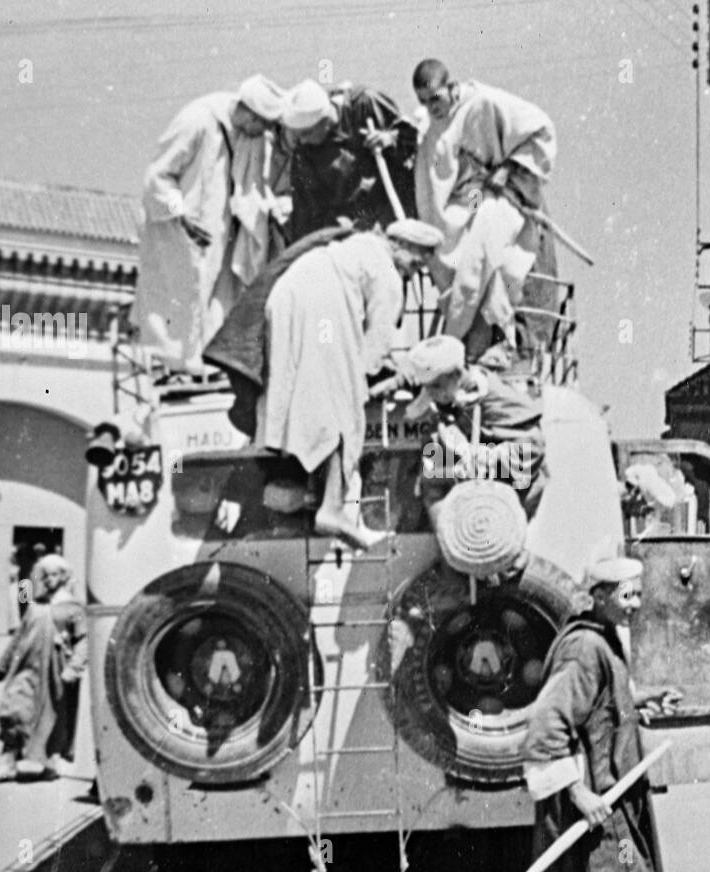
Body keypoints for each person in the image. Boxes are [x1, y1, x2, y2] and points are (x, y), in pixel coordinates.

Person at [260, 219, 443, 549]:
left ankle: (311, 493)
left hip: (287, 299)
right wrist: (388, 376)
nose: (413, 273)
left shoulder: (359, 247)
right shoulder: (388, 276)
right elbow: (373, 351)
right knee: (344, 405)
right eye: (415, 263)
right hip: (321, 312)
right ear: (402, 248)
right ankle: (332, 508)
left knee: (307, 397)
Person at [521, 555, 681, 872]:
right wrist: (579, 794)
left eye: (639, 594)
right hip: (598, 809)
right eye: (627, 596)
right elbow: (545, 729)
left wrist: (640, 700)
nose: (636, 604)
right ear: (600, 596)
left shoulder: (603, 639)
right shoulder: (584, 649)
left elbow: (596, 704)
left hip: (615, 800)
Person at [136, 75, 292, 373]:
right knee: (181, 299)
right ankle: (176, 367)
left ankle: (207, 364)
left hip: (219, 232)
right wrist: (180, 215)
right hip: (178, 229)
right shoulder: (197, 120)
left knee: (218, 297)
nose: (263, 132)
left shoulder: (248, 136)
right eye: (262, 123)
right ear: (248, 112)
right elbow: (158, 175)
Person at [411, 59, 557, 361]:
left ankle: (498, 339)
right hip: (471, 200)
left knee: (486, 251)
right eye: (424, 103)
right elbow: (438, 179)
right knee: (451, 252)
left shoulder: (484, 102)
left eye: (435, 99)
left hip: (508, 193)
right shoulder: (433, 130)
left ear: (452, 88)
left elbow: (540, 130)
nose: (432, 108)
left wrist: (508, 169)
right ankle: (467, 343)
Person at [403, 334, 547, 517]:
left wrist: (480, 463)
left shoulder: (497, 400)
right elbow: (434, 470)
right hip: (466, 517)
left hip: (512, 509)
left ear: (458, 374)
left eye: (437, 386)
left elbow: (533, 448)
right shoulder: (447, 406)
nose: (432, 394)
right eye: (428, 388)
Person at [0, 555, 88, 783]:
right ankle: (7, 760)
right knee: (14, 707)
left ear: (63, 577)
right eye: (45, 575)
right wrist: (4, 662)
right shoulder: (35, 604)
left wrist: (74, 668)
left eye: (53, 575)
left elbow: (83, 641)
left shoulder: (73, 607)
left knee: (51, 718)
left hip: (55, 672)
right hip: (26, 669)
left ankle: (49, 760)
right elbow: (19, 636)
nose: (48, 580)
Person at [282, 78, 417, 240]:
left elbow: (414, 139)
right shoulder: (303, 152)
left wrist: (390, 139)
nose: (302, 142)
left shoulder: (365, 103)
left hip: (392, 206)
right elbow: (307, 214)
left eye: (306, 133)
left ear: (325, 120)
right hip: (349, 225)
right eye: (297, 136)